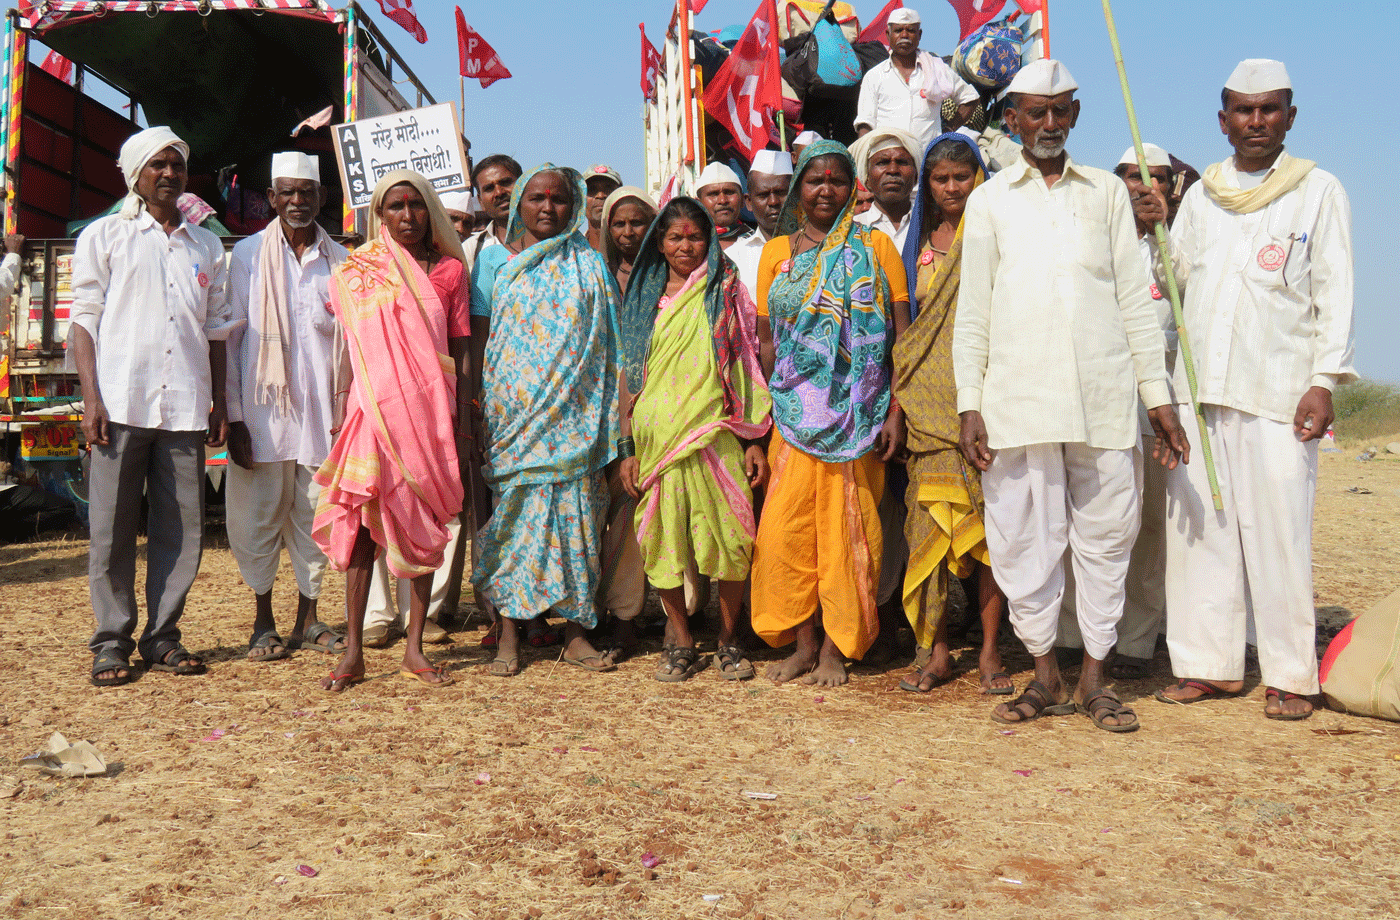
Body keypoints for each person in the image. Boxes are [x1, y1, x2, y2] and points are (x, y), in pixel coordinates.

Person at [953, 60, 1189, 732]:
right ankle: (1043, 676)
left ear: (1076, 116)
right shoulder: (990, 201)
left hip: (1103, 396)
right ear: (1014, 119)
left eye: (1060, 111)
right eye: (1035, 111)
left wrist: (1158, 398)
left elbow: (1135, 307)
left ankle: (1095, 679)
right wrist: (971, 400)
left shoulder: (1105, 197)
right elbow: (974, 313)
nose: (1049, 123)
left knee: (1106, 541)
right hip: (1018, 401)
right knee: (1025, 541)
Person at [1141, 60, 1355, 721]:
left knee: (1279, 532)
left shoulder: (1318, 191)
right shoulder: (1203, 196)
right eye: (1242, 109)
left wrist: (1323, 381)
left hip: (1279, 390)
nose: (1255, 121)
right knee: (1200, 532)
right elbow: (1176, 278)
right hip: (1201, 390)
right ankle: (1210, 667)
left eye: (1269, 109)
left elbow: (1335, 290)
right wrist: (1155, 225)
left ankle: (1292, 674)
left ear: (1290, 116)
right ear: (1223, 119)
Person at [71, 126, 240, 687]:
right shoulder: (105, 237)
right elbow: (84, 324)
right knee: (111, 530)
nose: (169, 174)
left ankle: (163, 637)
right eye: (158, 166)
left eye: (177, 165)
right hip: (119, 403)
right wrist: (91, 398)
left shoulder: (207, 246)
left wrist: (219, 401)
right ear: (135, 175)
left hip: (186, 408)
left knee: (182, 531)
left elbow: (216, 333)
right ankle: (112, 643)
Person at [750, 140, 910, 687]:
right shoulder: (777, 254)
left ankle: (837, 651)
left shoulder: (875, 246)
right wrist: (772, 404)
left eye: (837, 180)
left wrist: (894, 409)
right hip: (794, 416)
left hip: (860, 415)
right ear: (799, 186)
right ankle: (803, 643)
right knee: (786, 533)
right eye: (815, 179)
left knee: (849, 531)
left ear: (852, 188)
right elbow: (767, 340)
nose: (825, 189)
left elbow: (899, 335)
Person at [313, 170, 471, 691]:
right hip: (372, 412)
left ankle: (415, 648)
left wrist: (465, 417)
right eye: (394, 207)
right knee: (360, 525)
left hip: (429, 413)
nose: (407, 216)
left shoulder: (450, 270)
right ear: (379, 216)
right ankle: (353, 650)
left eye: (416, 205)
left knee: (424, 526)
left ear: (429, 210)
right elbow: (351, 346)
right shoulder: (360, 270)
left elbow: (461, 348)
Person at [470, 165, 621, 677]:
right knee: (514, 521)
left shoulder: (591, 265)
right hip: (514, 419)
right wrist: (482, 414)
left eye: (559, 199)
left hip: (575, 420)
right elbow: (482, 342)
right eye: (537, 198)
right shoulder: (495, 265)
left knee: (578, 522)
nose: (547, 208)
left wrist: (610, 421)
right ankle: (509, 631)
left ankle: (576, 632)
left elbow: (608, 346)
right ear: (520, 204)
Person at [617, 197, 772, 681]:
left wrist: (753, 439)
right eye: (675, 237)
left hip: (715, 435)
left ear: (710, 240)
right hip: (656, 442)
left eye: (695, 236)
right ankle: (681, 637)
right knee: (662, 541)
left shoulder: (726, 290)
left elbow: (746, 363)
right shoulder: (643, 297)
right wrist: (628, 448)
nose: (686, 246)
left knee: (731, 536)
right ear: (658, 244)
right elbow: (629, 375)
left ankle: (729, 639)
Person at [891, 132, 1011, 696]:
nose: (953, 187)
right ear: (928, 187)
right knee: (929, 532)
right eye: (941, 179)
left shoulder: (993, 234)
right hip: (926, 407)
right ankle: (935, 651)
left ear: (980, 177)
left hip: (984, 401)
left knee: (989, 537)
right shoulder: (915, 245)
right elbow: (908, 329)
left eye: (963, 176)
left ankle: (989, 652)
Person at [1056, 143, 1178, 681]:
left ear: (1171, 187)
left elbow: (1195, 292)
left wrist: (1164, 237)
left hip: (1159, 399)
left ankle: (1135, 636)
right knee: (1078, 517)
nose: (1139, 186)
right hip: (1095, 392)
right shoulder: (1093, 230)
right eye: (1130, 176)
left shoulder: (1178, 242)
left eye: (1154, 178)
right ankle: (1069, 634)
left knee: (1147, 521)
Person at [224, 151, 348, 663]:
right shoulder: (247, 257)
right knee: (255, 518)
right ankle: (262, 620)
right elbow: (229, 342)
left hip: (324, 417)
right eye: (287, 193)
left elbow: (350, 345)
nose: (297, 202)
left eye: (307, 193)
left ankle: (309, 617)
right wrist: (232, 415)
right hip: (261, 414)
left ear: (322, 198)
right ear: (271, 198)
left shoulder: (340, 262)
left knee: (314, 517)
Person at [596, 185, 658, 658]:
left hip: (652, 406)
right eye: (618, 223)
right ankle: (593, 610)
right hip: (595, 407)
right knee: (599, 510)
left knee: (634, 508)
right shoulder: (594, 274)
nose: (628, 231)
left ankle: (627, 615)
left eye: (638, 221)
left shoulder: (667, 273)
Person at [854, 8, 974, 153]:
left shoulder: (936, 69)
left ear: (919, 34)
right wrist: (866, 156)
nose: (904, 35)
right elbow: (865, 123)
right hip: (888, 160)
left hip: (927, 159)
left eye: (910, 30)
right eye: (898, 30)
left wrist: (949, 130)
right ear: (888, 34)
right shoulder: (874, 76)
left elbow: (970, 98)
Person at [725, 150, 792, 300]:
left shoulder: (814, 249)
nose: (773, 202)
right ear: (748, 201)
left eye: (781, 192)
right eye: (763, 195)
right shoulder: (734, 258)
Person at [850, 128, 921, 258]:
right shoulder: (851, 230)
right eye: (882, 163)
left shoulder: (931, 226)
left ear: (916, 176)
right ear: (867, 178)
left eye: (902, 162)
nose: (893, 170)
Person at [694, 162, 749, 251]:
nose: (722, 201)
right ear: (698, 204)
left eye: (729, 192)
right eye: (713, 194)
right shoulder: (691, 246)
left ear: (742, 200)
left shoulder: (757, 243)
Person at [584, 164, 622, 253]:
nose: (600, 196)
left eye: (608, 189)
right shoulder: (572, 252)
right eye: (591, 190)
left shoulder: (631, 250)